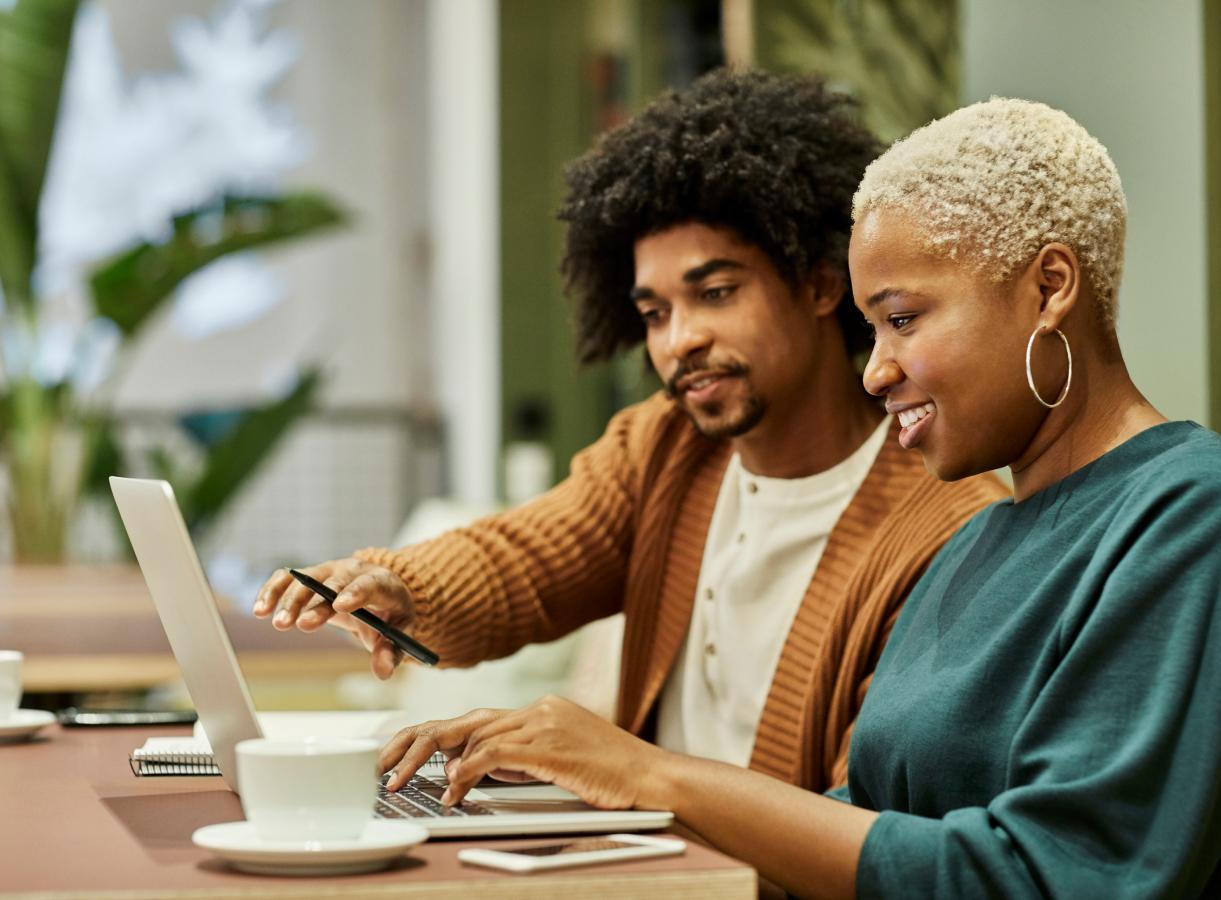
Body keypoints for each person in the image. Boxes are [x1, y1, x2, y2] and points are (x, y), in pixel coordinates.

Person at [388, 97, 1221, 899]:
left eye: (904, 320)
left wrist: (652, 774)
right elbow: (852, 826)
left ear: (1050, 288)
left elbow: (1061, 877)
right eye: (873, 326)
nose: (876, 370)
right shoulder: (981, 543)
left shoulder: (1199, 517)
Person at [252, 69, 1005, 793]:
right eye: (654, 313)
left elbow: (862, 830)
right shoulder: (667, 448)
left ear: (817, 285)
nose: (679, 341)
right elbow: (523, 559)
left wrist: (613, 765)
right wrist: (401, 590)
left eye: (715, 293)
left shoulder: (945, 527)